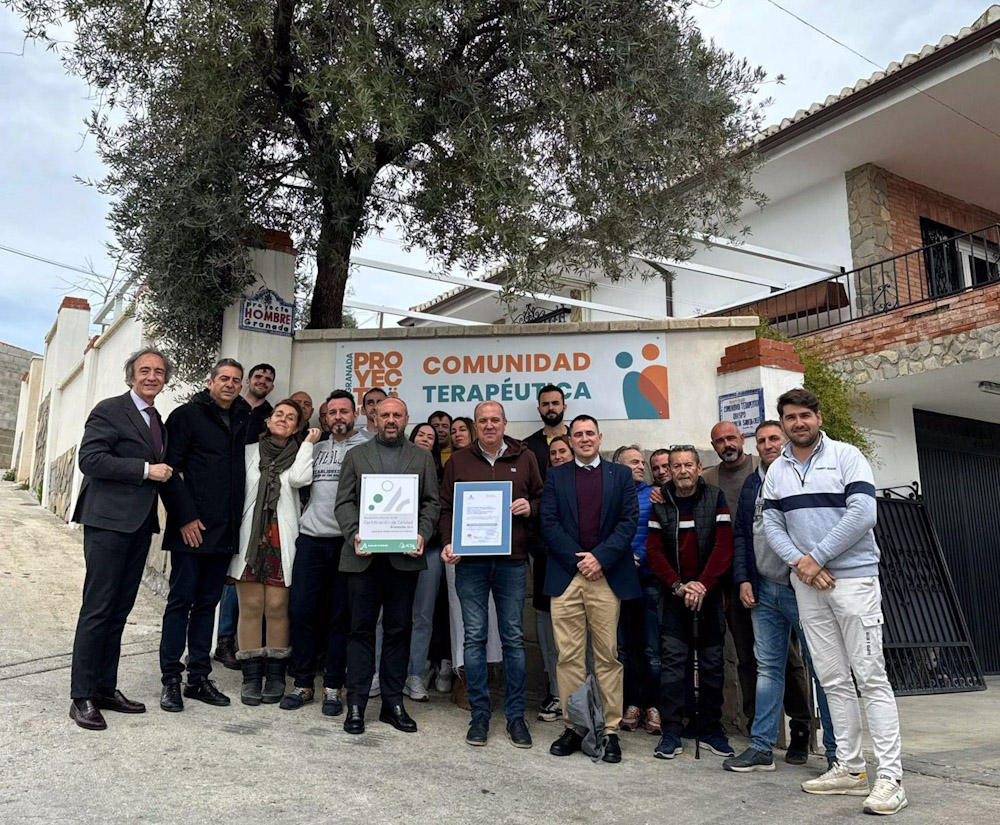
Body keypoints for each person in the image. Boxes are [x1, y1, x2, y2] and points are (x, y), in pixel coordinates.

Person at [763, 388, 907, 816]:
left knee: (870, 677)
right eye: (790, 417)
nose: (798, 423)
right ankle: (850, 768)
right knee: (832, 679)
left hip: (853, 581)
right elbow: (770, 521)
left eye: (805, 415)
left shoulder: (846, 456)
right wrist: (800, 564)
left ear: (818, 416)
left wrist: (815, 558)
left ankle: (891, 779)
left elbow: (863, 514)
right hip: (808, 585)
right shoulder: (777, 470)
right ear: (783, 422)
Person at [68, 347, 175, 730]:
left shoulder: (156, 419)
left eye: (159, 372)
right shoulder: (110, 410)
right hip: (107, 522)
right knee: (97, 609)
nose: (151, 377)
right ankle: (80, 696)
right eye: (144, 370)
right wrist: (146, 469)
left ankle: (104, 688)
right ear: (131, 376)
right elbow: (90, 460)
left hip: (138, 525)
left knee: (118, 611)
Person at [724, 419, 837, 772]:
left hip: (801, 588)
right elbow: (743, 534)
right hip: (764, 590)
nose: (768, 444)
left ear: (786, 440)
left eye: (774, 438)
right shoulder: (752, 483)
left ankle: (837, 751)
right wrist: (744, 579)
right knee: (767, 668)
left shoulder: (800, 476)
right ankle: (761, 747)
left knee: (822, 671)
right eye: (761, 440)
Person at [334, 396, 440, 735]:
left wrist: (422, 534)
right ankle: (356, 704)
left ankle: (393, 703)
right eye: (385, 415)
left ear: (407, 418)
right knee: (360, 630)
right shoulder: (356, 455)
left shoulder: (422, 457)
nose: (391, 420)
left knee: (399, 630)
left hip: (403, 558)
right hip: (363, 557)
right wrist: (354, 534)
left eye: (397, 415)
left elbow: (431, 504)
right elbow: (344, 502)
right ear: (373, 417)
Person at [440, 401, 544, 749]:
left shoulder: (524, 456)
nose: (489, 425)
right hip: (470, 562)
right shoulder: (459, 460)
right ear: (475, 425)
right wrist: (448, 541)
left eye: (494, 420)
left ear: (504, 423)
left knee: (513, 638)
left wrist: (531, 507)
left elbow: (543, 497)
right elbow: (445, 508)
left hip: (512, 560)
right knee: (474, 637)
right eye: (482, 420)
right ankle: (479, 714)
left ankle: (516, 716)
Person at [542, 415, 639, 764]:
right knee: (568, 656)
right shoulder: (556, 475)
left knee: (607, 656)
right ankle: (575, 725)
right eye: (577, 434)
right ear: (570, 440)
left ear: (600, 437)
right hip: (567, 576)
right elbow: (548, 523)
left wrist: (599, 558)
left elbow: (629, 522)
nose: (584, 439)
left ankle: (610, 729)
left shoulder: (621, 475)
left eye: (589, 434)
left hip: (606, 575)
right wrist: (578, 560)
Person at [158, 358, 251, 711]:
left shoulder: (243, 419)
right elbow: (170, 470)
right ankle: (170, 678)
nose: (229, 384)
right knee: (180, 602)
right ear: (210, 381)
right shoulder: (187, 416)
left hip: (225, 531)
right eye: (223, 378)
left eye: (235, 380)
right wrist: (184, 518)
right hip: (191, 530)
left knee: (207, 606)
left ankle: (198, 678)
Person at [282, 390, 369, 715]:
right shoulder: (314, 449)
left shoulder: (367, 450)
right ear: (324, 416)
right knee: (302, 613)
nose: (338, 418)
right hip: (311, 539)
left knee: (340, 618)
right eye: (332, 412)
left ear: (355, 414)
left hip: (348, 543)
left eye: (343, 412)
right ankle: (302, 683)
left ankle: (333, 686)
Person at [646, 446, 734, 761]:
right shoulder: (661, 504)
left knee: (711, 665)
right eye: (676, 466)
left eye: (688, 464)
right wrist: (679, 585)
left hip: (708, 597)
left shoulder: (715, 498)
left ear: (698, 467)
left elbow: (724, 545)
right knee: (672, 666)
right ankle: (672, 731)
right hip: (674, 597)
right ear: (668, 470)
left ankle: (709, 729)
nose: (682, 470)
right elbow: (654, 552)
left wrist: (703, 585)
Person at [231, 400, 320, 705]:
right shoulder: (248, 454)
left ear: (297, 426)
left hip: (282, 537)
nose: (283, 419)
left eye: (291, 417)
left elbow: (298, 480)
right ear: (267, 421)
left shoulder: (301, 455)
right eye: (279, 415)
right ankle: (251, 677)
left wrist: (307, 443)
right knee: (252, 606)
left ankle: (276, 676)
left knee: (278, 608)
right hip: (251, 538)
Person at [702, 420, 764, 734]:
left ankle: (801, 726)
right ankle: (756, 725)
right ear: (713, 447)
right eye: (719, 441)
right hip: (733, 581)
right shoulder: (709, 478)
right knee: (745, 655)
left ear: (742, 438)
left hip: (770, 574)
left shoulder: (762, 468)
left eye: (731, 438)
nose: (726, 444)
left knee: (790, 658)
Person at [214, 362, 276, 671]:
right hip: (227, 497)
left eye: (268, 379)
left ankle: (242, 642)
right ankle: (224, 640)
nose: (262, 382)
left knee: (247, 574)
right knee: (232, 574)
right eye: (258, 377)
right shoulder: (231, 409)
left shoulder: (273, 416)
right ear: (247, 381)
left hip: (257, 502)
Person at [613, 445, 661, 737]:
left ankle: (653, 705)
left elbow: (656, 532)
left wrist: (638, 556)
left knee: (650, 648)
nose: (641, 466)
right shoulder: (611, 494)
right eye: (633, 462)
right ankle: (631, 703)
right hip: (616, 580)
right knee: (621, 648)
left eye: (642, 461)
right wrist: (619, 559)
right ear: (618, 466)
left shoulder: (654, 496)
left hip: (646, 579)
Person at [532, 434, 574, 722]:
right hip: (547, 571)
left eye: (563, 451)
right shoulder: (542, 491)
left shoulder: (586, 486)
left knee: (575, 641)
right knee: (549, 639)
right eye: (554, 453)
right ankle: (556, 694)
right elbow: (535, 533)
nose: (558, 456)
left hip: (578, 571)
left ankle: (577, 698)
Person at [404, 422, 445, 703]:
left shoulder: (442, 474)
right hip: (392, 549)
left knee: (422, 616)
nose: (426, 439)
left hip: (429, 551)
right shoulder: (396, 464)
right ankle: (380, 671)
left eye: (431, 437)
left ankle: (415, 673)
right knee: (386, 615)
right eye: (421, 434)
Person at [521, 384, 569, 477]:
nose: (550, 408)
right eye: (545, 404)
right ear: (539, 409)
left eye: (555, 403)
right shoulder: (528, 446)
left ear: (564, 407)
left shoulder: (577, 439)